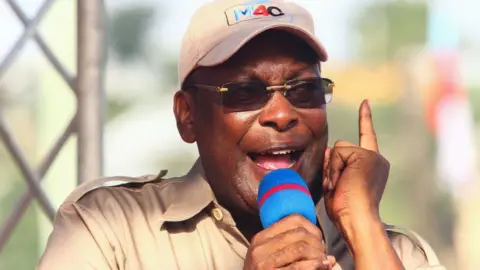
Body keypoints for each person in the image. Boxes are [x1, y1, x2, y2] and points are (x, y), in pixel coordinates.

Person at [38, 0, 446, 269]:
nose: (282, 114)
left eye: (303, 90)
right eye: (245, 92)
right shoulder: (109, 229)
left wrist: (361, 225)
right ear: (187, 116)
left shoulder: (393, 252)